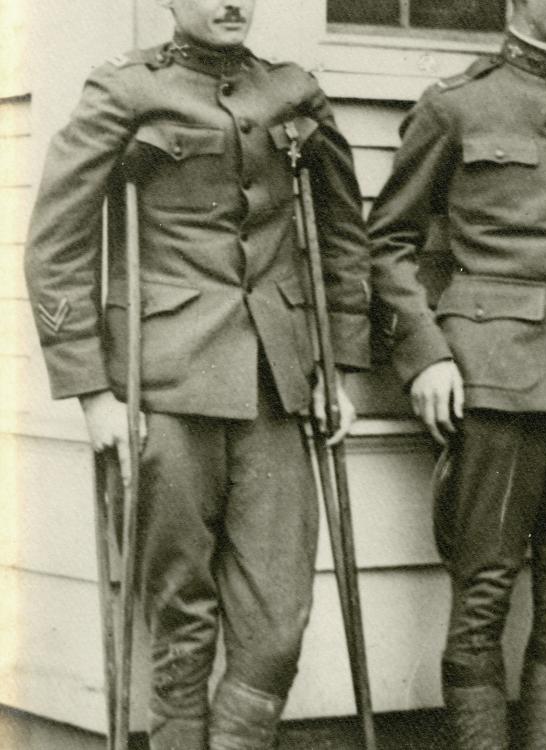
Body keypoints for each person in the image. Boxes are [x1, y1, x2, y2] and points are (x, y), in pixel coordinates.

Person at [23, 0, 372, 747]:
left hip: (280, 386)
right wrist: (92, 393)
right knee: (181, 618)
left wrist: (338, 365)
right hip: (164, 386)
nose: (231, 2)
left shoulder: (294, 91)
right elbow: (57, 246)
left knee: (278, 623)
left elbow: (344, 236)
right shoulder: (123, 91)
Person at [367, 0, 546, 746]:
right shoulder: (454, 106)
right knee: (483, 594)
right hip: (493, 381)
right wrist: (427, 355)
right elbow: (389, 244)